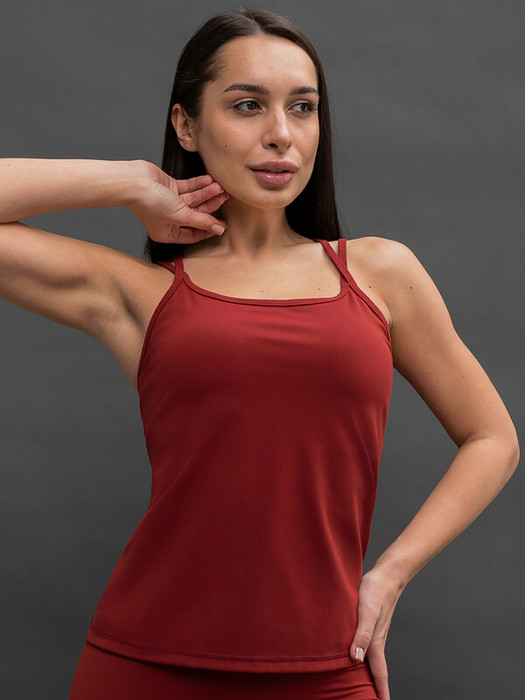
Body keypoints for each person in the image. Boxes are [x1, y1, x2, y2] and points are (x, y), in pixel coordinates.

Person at [0, 7, 518, 700]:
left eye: (302, 107)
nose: (281, 133)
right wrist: (129, 182)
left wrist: (390, 574)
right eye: (247, 105)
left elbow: (492, 437)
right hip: (146, 667)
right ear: (186, 125)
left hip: (329, 668)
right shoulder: (142, 294)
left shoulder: (379, 274)